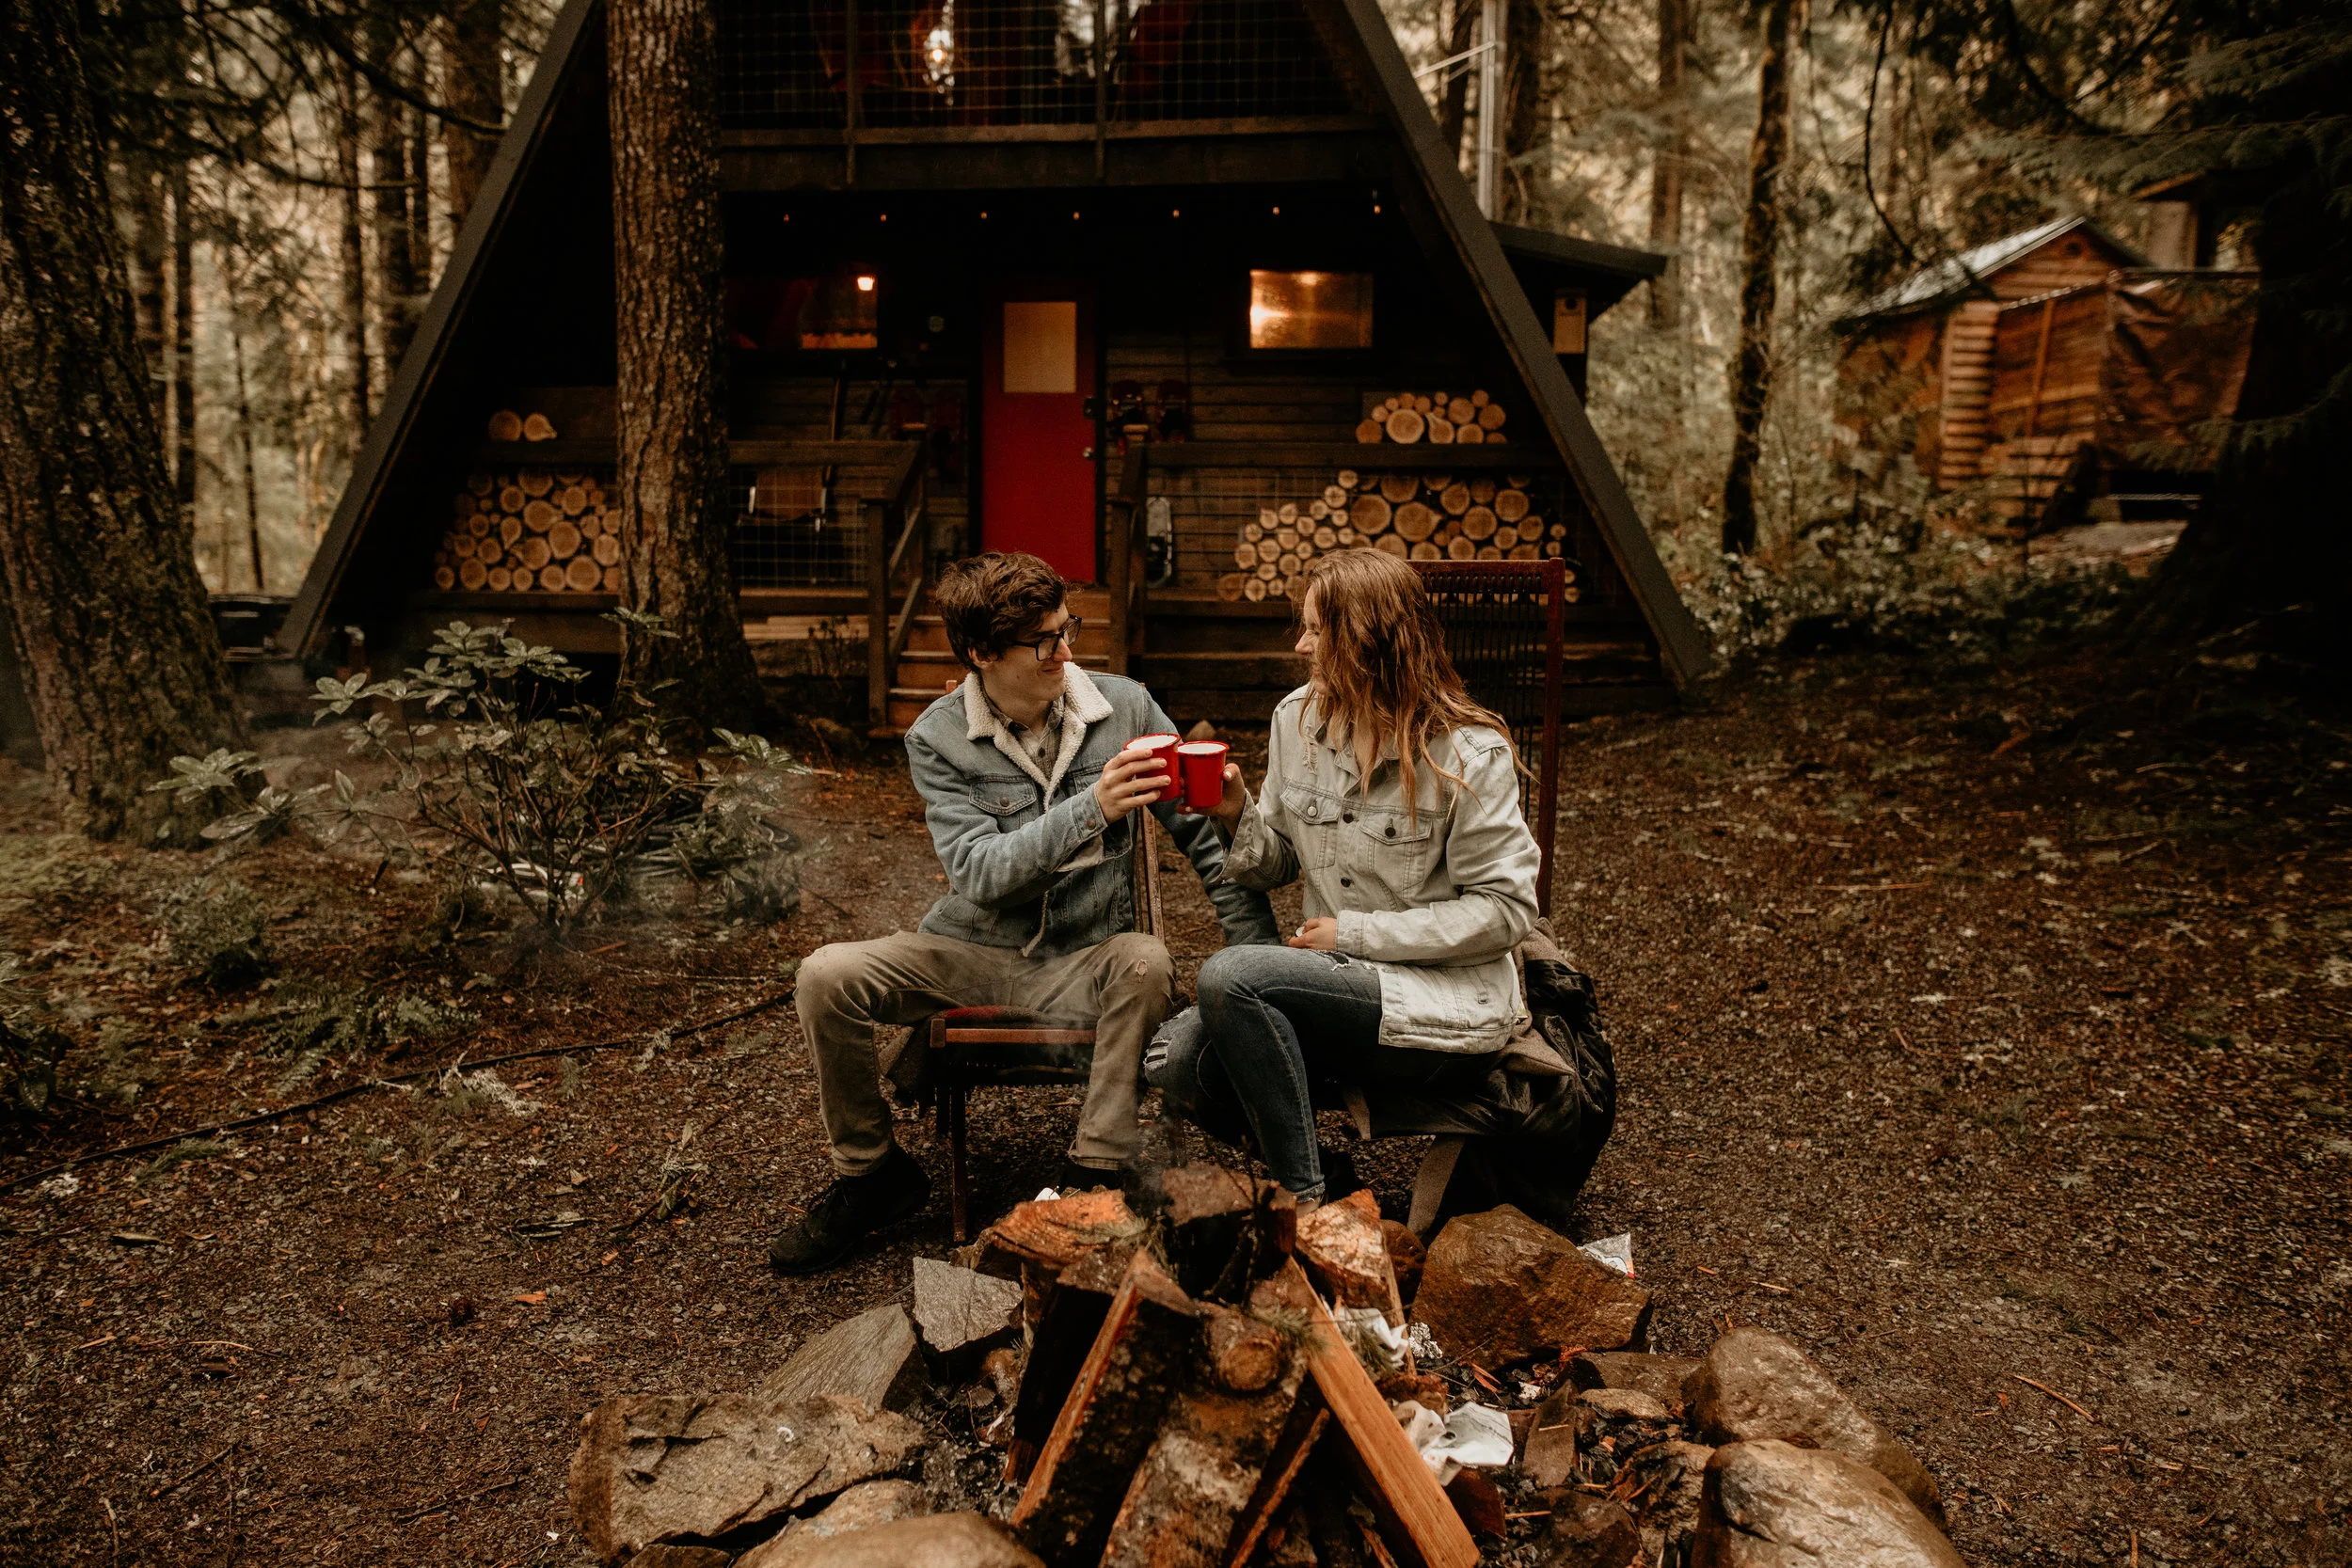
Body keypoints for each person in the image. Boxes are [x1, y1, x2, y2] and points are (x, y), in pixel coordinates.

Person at [771, 551, 1278, 1274]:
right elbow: (979, 874)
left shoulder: (1126, 710)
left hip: (1084, 959)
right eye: (1045, 642)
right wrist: (1091, 808)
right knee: (825, 974)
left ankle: (1094, 1173)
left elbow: (1208, 844)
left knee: (1147, 960)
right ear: (982, 654)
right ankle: (871, 1174)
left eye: (1066, 631)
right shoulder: (937, 737)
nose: (1065, 653)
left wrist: (1261, 967)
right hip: (970, 954)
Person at [1151, 547, 1542, 1206]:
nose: (1301, 645)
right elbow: (1275, 858)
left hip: (1439, 1007)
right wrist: (1232, 809)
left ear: (1365, 640)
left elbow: (1504, 911)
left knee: (1230, 976)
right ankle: (1327, 1183)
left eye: (1315, 630)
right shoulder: (1296, 720)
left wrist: (1354, 935)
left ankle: (1300, 1207)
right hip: (1337, 995)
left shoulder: (1469, 752)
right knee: (1175, 1058)